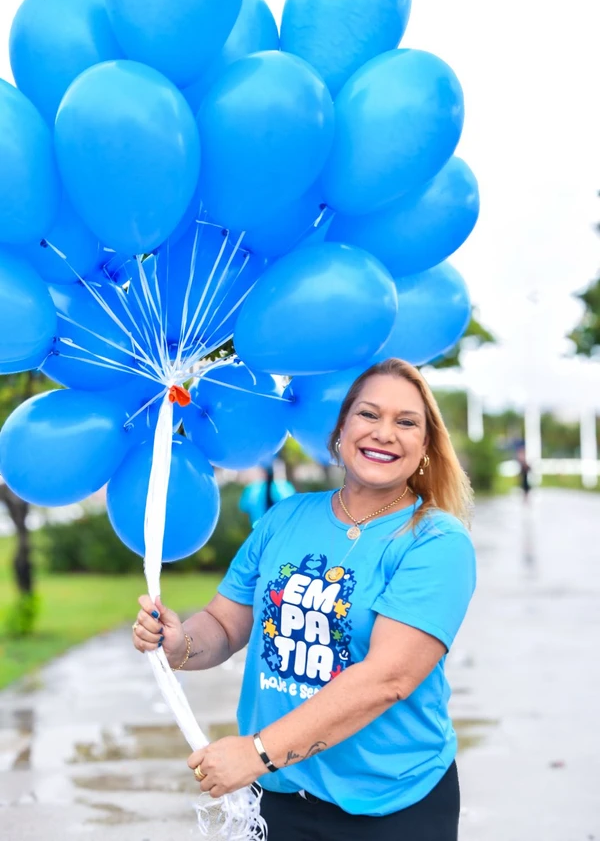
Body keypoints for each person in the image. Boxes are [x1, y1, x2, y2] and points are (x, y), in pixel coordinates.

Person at [132, 358, 476, 841]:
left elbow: (387, 678)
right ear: (340, 431)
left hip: (393, 803)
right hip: (279, 799)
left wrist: (256, 753)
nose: (384, 433)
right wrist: (179, 643)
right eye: (368, 414)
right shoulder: (286, 517)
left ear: (424, 446)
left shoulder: (436, 541)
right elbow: (226, 624)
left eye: (406, 422)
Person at [239, 461, 296, 528]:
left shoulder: (251, 489)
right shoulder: (286, 487)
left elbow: (244, 509)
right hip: (282, 530)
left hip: (259, 529)